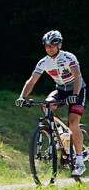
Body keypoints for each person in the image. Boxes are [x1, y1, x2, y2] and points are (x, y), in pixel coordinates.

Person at [16, 30, 86, 176]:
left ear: (59, 45)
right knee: (46, 105)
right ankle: (59, 132)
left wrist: (75, 94)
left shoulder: (68, 57)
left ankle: (79, 161)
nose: (49, 48)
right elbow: (32, 81)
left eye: (52, 45)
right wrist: (22, 96)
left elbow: (77, 76)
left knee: (73, 123)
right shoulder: (44, 62)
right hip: (60, 90)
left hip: (76, 90)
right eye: (46, 46)